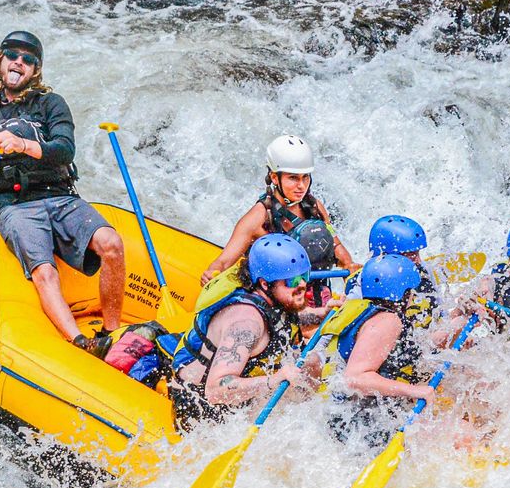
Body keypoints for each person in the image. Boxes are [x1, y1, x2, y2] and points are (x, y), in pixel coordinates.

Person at [0, 31, 125, 356]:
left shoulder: (51, 104)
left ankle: (112, 332)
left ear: (35, 70)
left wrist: (23, 145)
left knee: (112, 244)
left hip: (61, 197)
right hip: (15, 207)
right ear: (1, 61)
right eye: (13, 55)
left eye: (29, 59)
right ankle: (81, 342)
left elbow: (64, 150)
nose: (19, 62)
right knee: (44, 270)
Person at [167, 233, 319, 431]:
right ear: (265, 284)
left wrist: (324, 313)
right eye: (292, 281)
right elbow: (216, 389)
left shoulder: (269, 297)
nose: (302, 285)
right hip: (200, 409)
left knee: (312, 361)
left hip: (231, 400)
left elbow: (284, 322)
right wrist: (273, 380)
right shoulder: (245, 324)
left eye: (305, 277)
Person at [201, 135, 357, 310]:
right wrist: (211, 273)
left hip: (317, 297)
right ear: (275, 178)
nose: (301, 186)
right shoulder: (257, 218)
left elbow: (335, 246)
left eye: (305, 177)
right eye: (293, 178)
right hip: (280, 306)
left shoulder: (315, 208)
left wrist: (349, 265)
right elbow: (223, 262)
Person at [320, 253, 439, 446]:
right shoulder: (387, 321)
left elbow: (421, 345)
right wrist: (414, 391)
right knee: (460, 435)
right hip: (360, 424)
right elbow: (355, 378)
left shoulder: (363, 309)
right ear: (403, 292)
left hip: (347, 416)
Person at [350, 214, 442, 329]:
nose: (418, 261)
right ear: (388, 256)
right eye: (411, 255)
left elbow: (441, 315)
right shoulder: (370, 281)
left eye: (418, 253)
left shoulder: (424, 270)